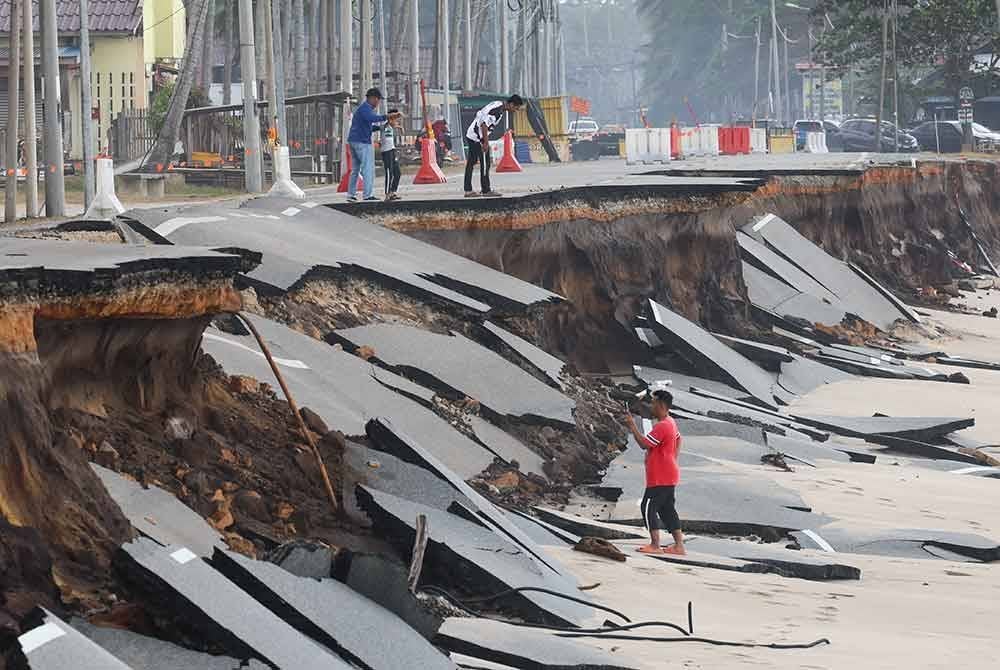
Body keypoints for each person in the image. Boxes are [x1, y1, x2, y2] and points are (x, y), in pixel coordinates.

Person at [623, 390, 686, 555]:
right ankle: (679, 546)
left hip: (660, 477)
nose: (651, 406)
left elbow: (644, 444)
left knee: (647, 506)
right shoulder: (670, 422)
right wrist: (672, 458)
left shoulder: (662, 426)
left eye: (653, 403)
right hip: (669, 474)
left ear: (661, 405)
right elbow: (679, 438)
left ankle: (655, 545)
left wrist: (632, 426)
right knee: (667, 510)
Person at [464, 94, 524, 197]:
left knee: (471, 162)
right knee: (485, 163)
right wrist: (485, 142)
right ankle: (486, 190)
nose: (515, 110)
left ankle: (468, 190)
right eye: (516, 108)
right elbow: (484, 125)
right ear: (511, 104)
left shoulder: (498, 103)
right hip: (477, 137)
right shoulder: (497, 111)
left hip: (472, 134)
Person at [347, 88, 399, 202]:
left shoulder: (362, 109)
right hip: (362, 142)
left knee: (355, 169)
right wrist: (387, 116)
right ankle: (368, 195)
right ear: (372, 98)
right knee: (368, 168)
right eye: (378, 99)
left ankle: (351, 195)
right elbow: (372, 119)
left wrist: (380, 127)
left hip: (353, 141)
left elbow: (368, 126)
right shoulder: (366, 108)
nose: (378, 102)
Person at [381, 110, 403, 200]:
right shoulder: (384, 125)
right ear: (390, 119)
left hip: (392, 150)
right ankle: (387, 194)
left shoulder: (391, 126)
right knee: (389, 172)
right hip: (386, 152)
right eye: (395, 120)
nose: (396, 122)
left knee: (397, 172)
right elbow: (387, 123)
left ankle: (393, 192)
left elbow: (394, 125)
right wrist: (395, 115)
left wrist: (399, 127)